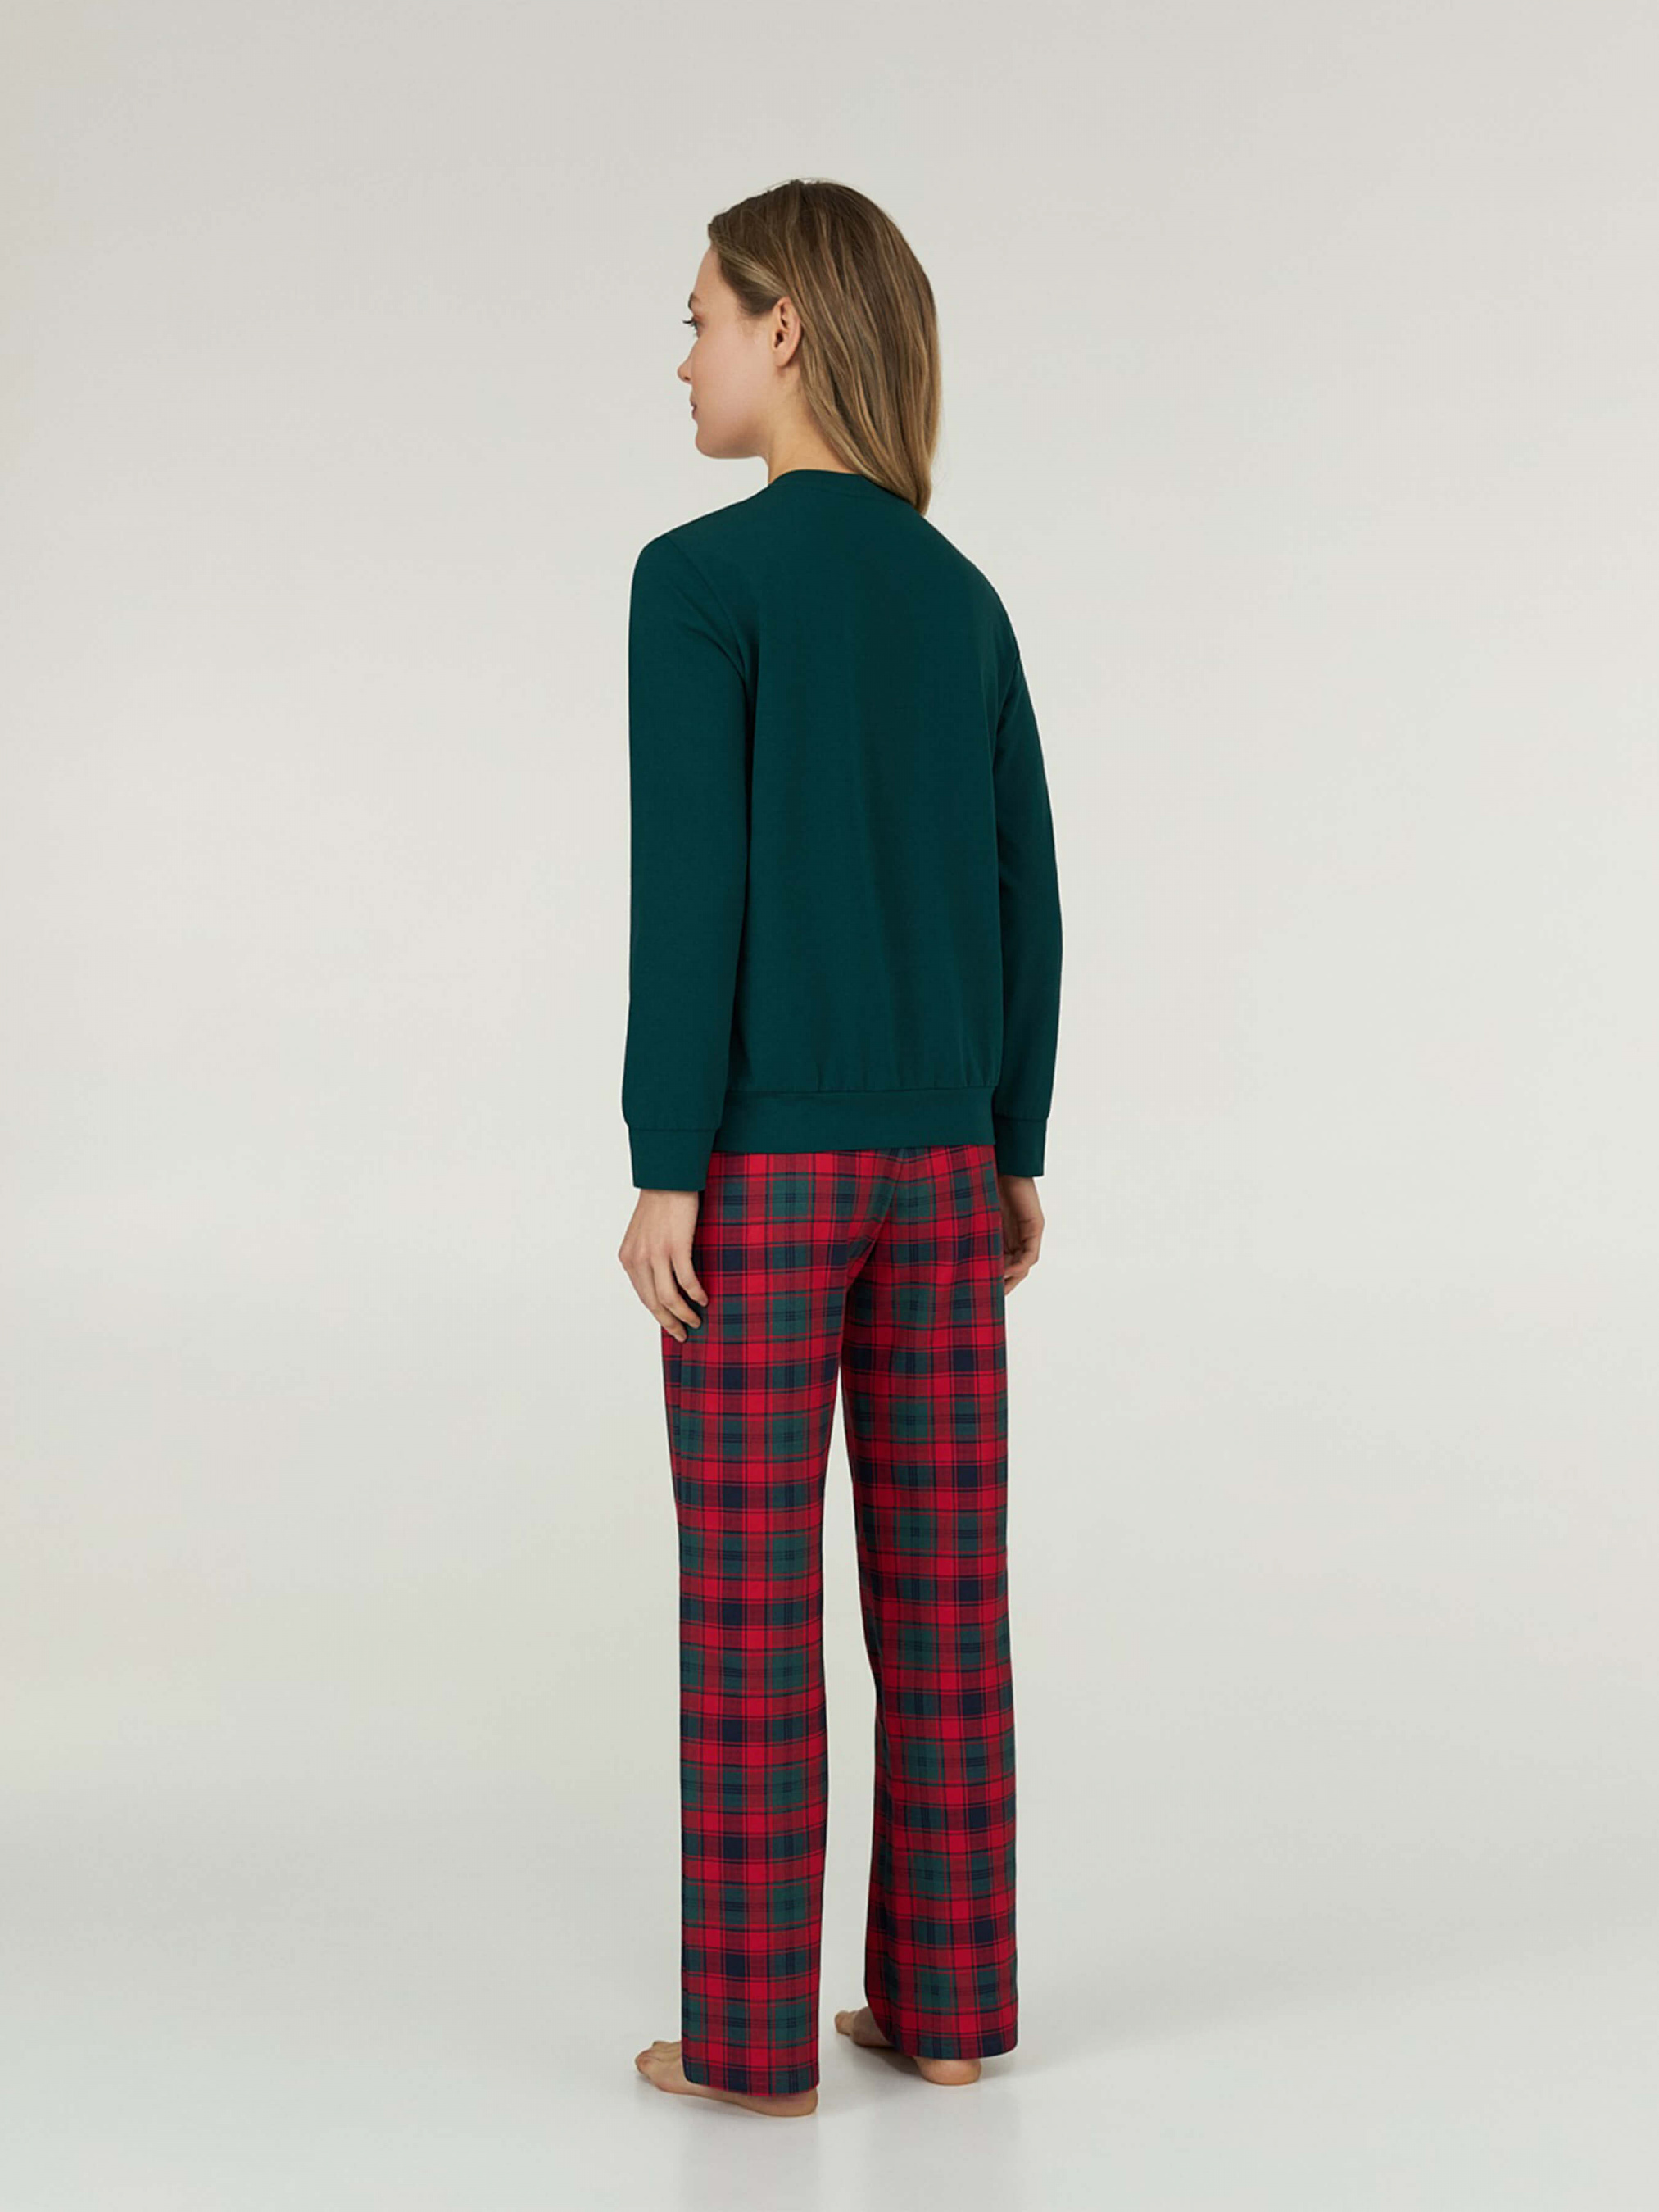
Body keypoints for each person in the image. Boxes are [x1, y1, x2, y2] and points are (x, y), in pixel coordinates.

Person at [619, 179, 1063, 2119]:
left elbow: (690, 892)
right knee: (945, 1601)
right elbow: (1024, 892)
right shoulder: (958, 597)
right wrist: (1009, 1137)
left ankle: (748, 2050)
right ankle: (949, 2010)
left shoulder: (696, 581)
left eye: (701, 318)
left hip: (768, 1176)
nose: (683, 357)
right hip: (941, 1171)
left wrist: (666, 1158)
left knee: (751, 1611)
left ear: (784, 328)